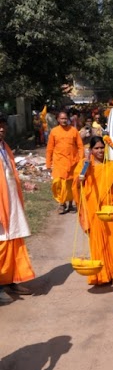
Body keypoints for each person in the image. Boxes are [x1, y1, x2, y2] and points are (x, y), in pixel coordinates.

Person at [72, 136, 113, 286]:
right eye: (97, 148)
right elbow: (77, 185)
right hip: (93, 209)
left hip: (109, 210)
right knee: (97, 242)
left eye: (102, 148)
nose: (100, 151)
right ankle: (101, 275)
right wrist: (82, 173)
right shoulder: (85, 166)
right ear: (91, 150)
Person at [0, 115, 35, 304]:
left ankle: (12, 280)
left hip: (11, 202)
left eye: (3, 126)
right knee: (2, 244)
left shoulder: (4, 147)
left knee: (13, 240)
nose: (1, 130)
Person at [46, 110, 84, 214]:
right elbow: (49, 149)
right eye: (62, 118)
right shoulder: (54, 131)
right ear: (58, 120)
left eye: (65, 118)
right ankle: (62, 204)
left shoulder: (73, 130)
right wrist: (48, 163)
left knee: (70, 184)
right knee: (59, 183)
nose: (64, 120)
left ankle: (70, 205)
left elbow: (80, 147)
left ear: (68, 119)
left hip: (73, 162)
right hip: (59, 162)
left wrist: (81, 160)